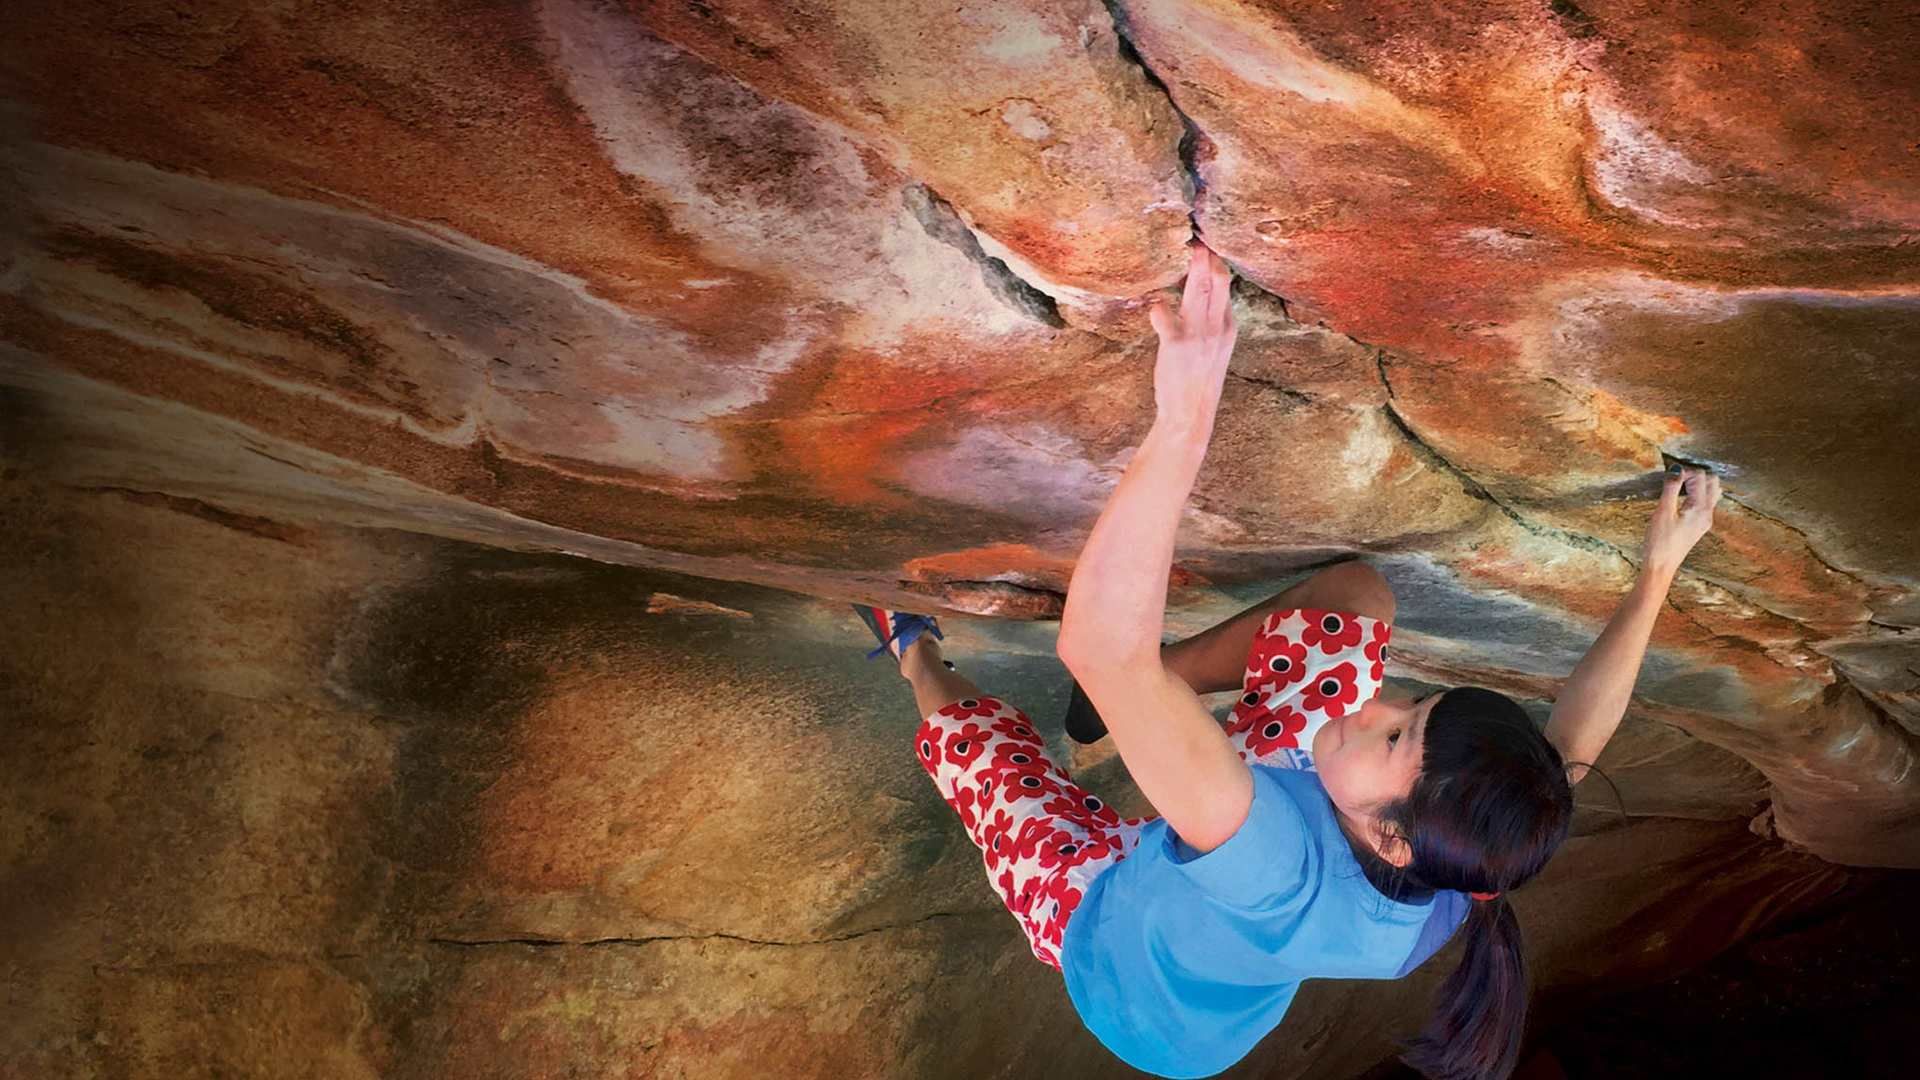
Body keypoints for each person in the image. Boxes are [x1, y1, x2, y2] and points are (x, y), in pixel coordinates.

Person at [853, 241, 1723, 1080]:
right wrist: (1658, 573)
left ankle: (913, 651)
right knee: (1355, 602)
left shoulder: (1273, 865)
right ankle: (1156, 695)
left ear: (1393, 837)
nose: (1378, 706)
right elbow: (1572, 746)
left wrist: (1185, 419)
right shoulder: (1469, 847)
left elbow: (1101, 647)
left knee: (991, 759)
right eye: (1415, 709)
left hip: (1112, 943)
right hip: (1276, 835)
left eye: (1396, 737)